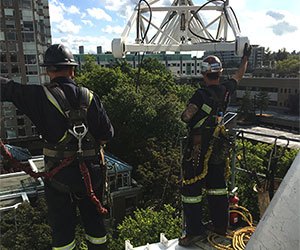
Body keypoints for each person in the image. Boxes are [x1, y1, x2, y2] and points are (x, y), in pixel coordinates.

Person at [0, 44, 114, 250]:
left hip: (59, 175)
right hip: (91, 173)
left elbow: (8, 88)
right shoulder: (89, 96)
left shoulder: (37, 97)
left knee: (62, 229)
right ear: (73, 70)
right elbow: (107, 134)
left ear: (48, 71)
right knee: (95, 224)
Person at [179, 43, 252, 246]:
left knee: (191, 189)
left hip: (198, 147)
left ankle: (194, 232)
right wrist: (245, 59)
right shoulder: (226, 90)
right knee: (217, 186)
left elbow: (186, 117)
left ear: (204, 74)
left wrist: (189, 113)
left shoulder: (200, 95)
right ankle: (220, 225)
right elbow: (239, 76)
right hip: (218, 146)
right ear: (219, 73)